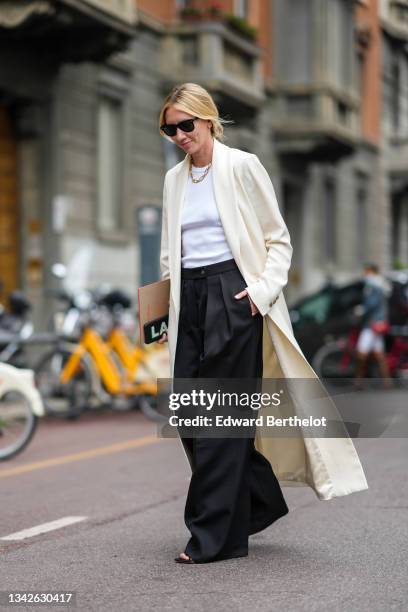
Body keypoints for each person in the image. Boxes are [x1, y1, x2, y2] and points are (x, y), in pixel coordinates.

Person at [157, 82, 368, 565]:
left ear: (208, 119)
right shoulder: (173, 179)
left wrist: (259, 294)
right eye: (170, 128)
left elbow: (279, 241)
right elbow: (172, 254)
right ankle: (257, 501)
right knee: (191, 416)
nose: (179, 135)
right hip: (188, 299)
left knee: (221, 419)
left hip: (234, 296)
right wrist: (164, 310)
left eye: (186, 125)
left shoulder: (243, 167)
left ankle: (212, 536)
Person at [355, 263, 392, 389]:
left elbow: (371, 304)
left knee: (361, 353)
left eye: (366, 271)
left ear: (371, 271)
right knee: (379, 355)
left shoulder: (374, 285)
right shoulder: (381, 284)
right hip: (377, 324)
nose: (364, 274)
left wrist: (361, 310)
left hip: (371, 325)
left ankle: (359, 381)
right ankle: (387, 382)